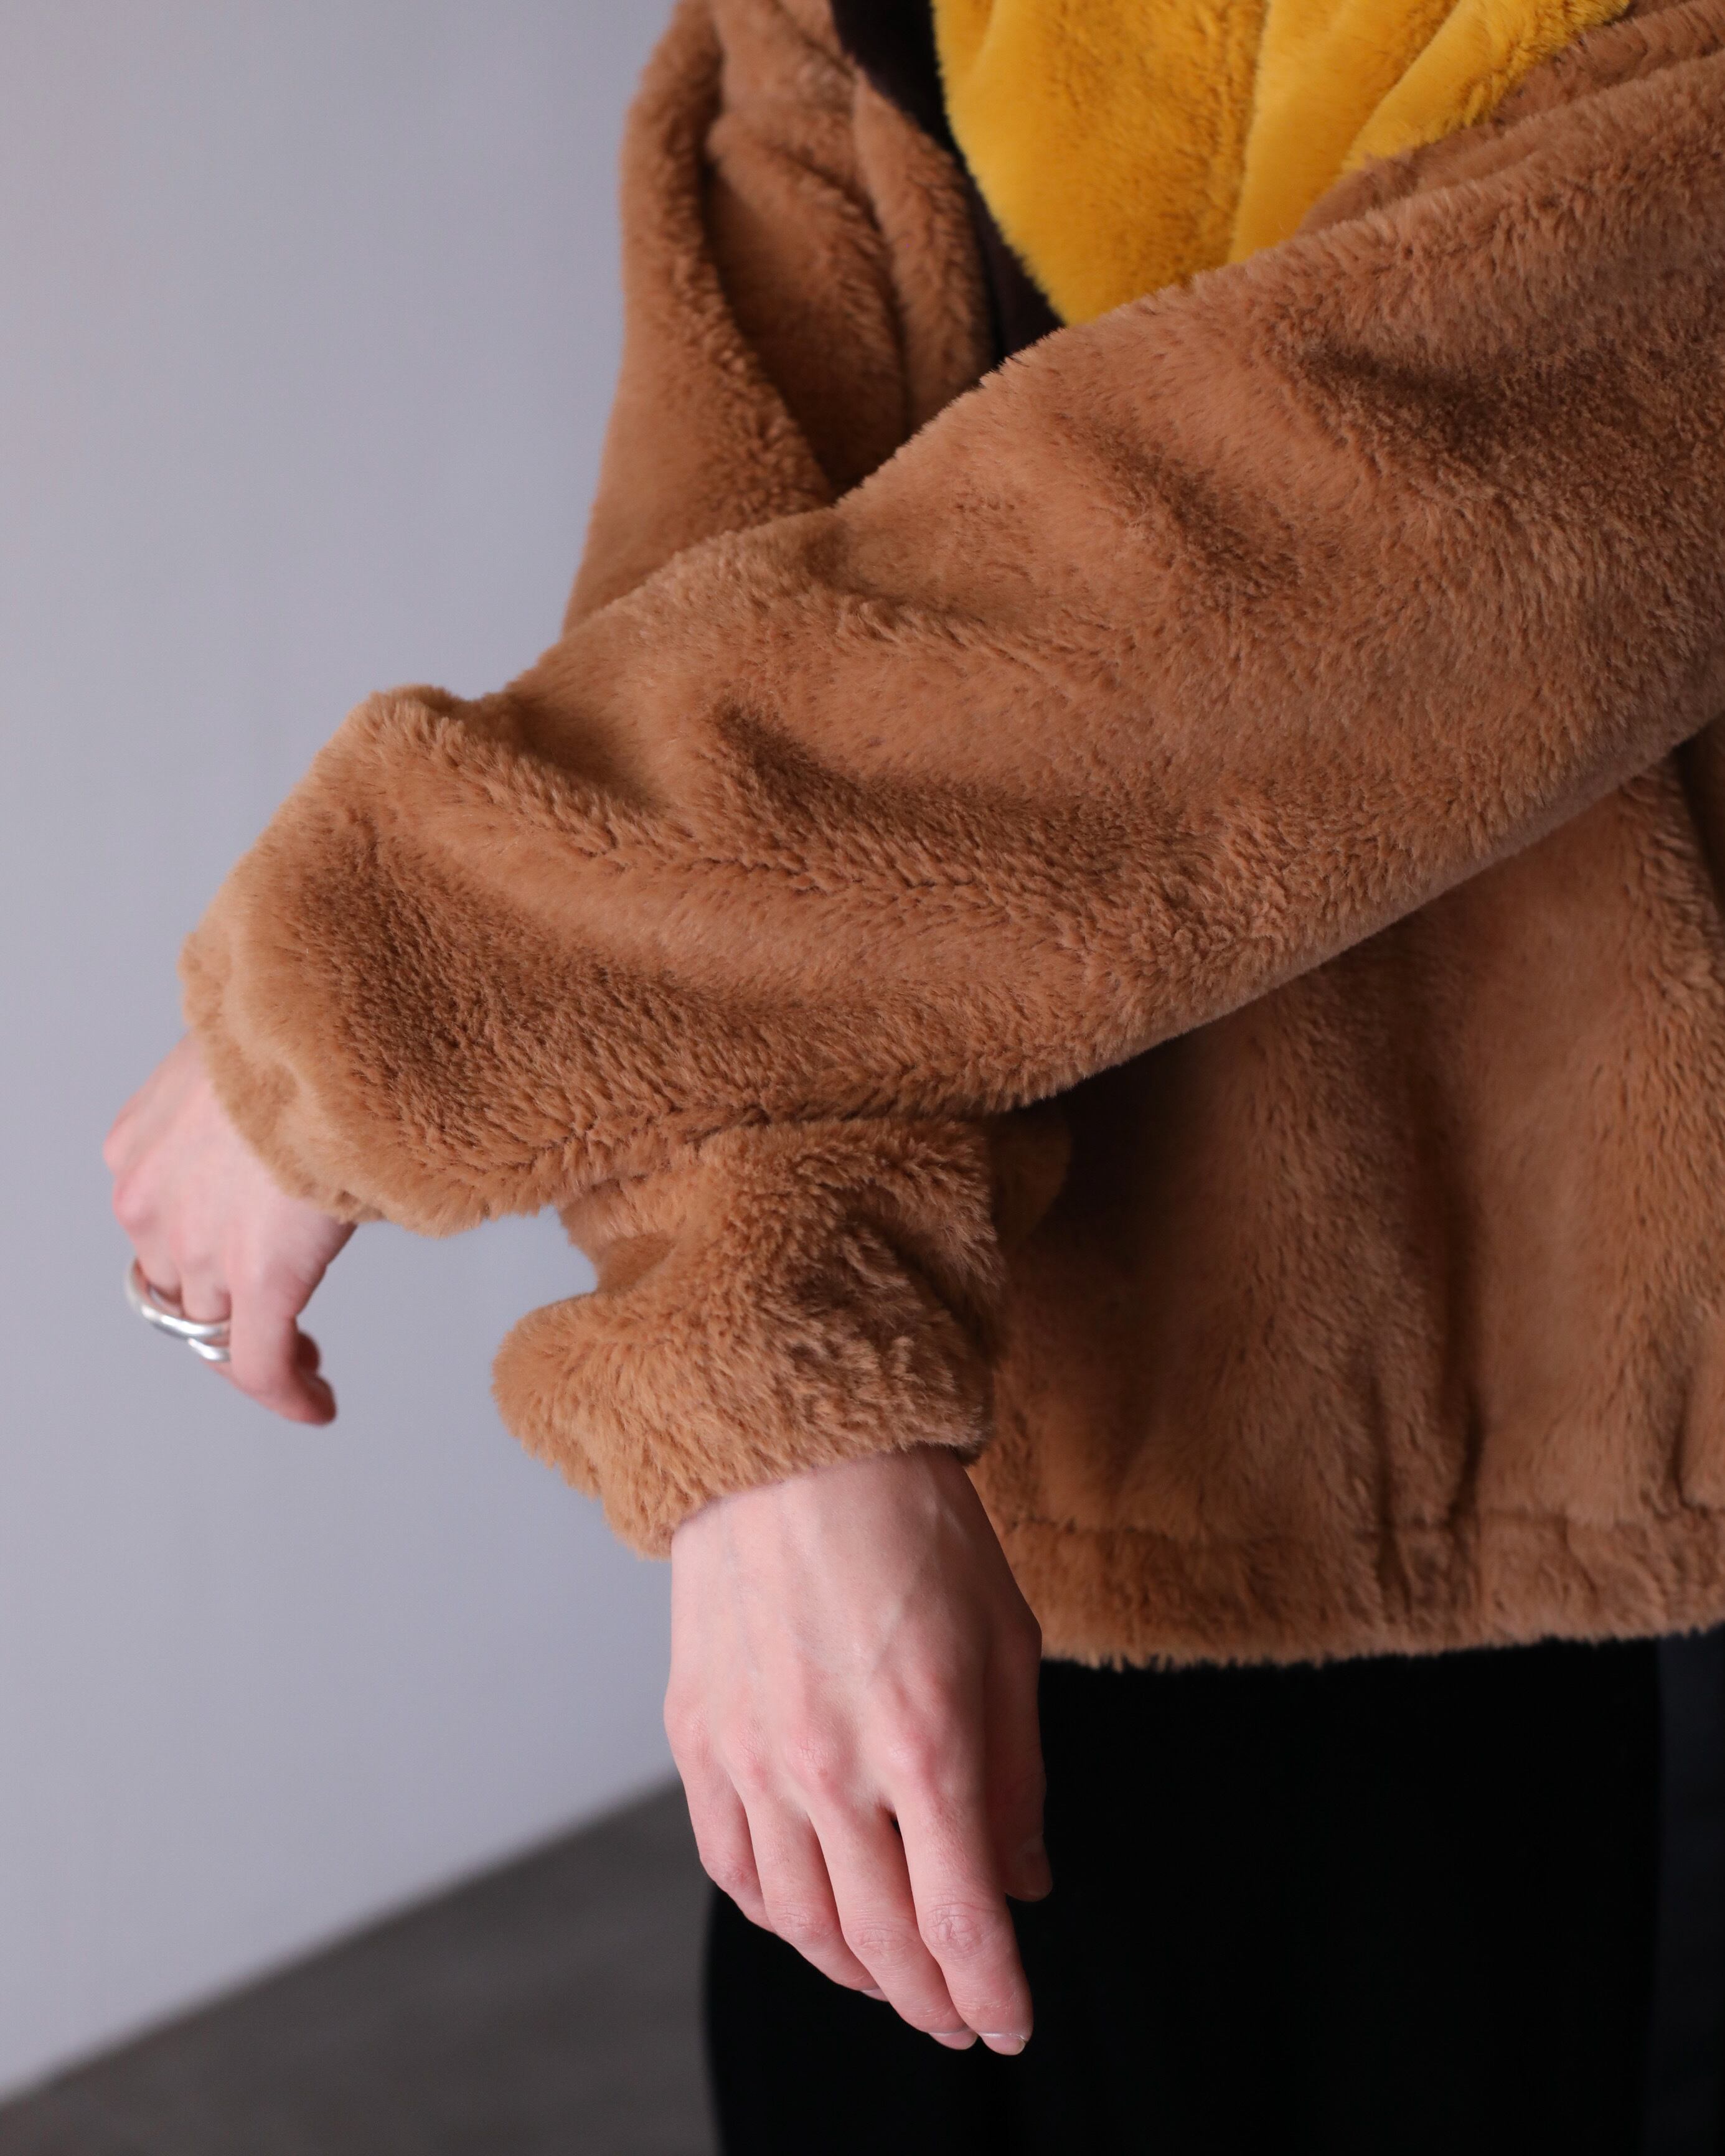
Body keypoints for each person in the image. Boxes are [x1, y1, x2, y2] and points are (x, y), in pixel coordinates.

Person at [105, 0, 1725, 2146]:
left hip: (1589, 1486)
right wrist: (780, 1375)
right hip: (1006, 1467)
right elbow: (735, 569)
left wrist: (398, 967)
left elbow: (1383, 510)